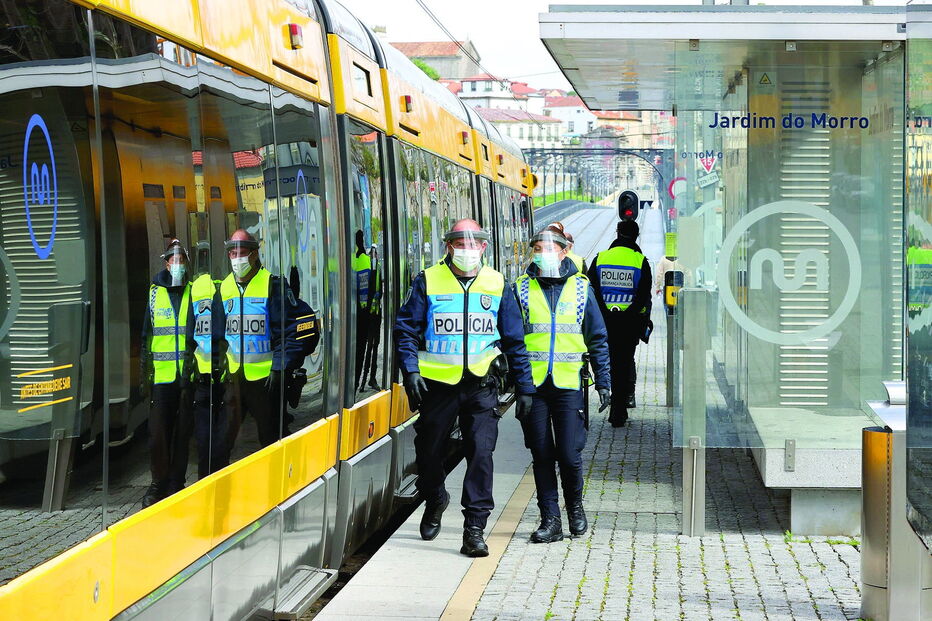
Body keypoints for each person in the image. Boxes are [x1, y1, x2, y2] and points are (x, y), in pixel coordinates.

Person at [394, 218, 535, 558]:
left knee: (481, 452)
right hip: (437, 386)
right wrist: (411, 371)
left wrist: (526, 387)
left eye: (474, 244)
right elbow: (406, 330)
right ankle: (435, 497)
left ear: (484, 247)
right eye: (460, 243)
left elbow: (515, 339)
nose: (467, 249)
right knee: (428, 452)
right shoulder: (427, 280)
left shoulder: (497, 283)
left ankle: (474, 528)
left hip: (481, 385)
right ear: (449, 247)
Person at [514, 226, 610, 543]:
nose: (543, 254)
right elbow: (512, 340)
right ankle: (550, 520)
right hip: (533, 388)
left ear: (564, 251)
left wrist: (604, 382)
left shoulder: (581, 288)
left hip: (569, 385)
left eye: (549, 248)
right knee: (541, 454)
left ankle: (575, 510)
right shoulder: (521, 289)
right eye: (538, 248)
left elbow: (597, 337)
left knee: (569, 454)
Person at [219, 229, 297, 451]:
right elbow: (219, 333)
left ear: (254, 254)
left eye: (241, 253)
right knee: (223, 440)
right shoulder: (224, 288)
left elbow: (287, 332)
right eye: (232, 254)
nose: (236, 259)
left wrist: (280, 367)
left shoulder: (272, 284)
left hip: (264, 380)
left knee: (270, 438)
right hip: (234, 379)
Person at [139, 239, 195, 507]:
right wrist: (143, 376)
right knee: (158, 433)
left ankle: (176, 482)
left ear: (186, 263)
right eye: (172, 260)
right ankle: (157, 483)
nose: (177, 264)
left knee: (182, 433)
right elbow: (145, 336)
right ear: (166, 263)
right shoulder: (154, 293)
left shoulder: (193, 292)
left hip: (186, 376)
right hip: (161, 377)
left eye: (181, 259)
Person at [588, 219, 652, 427]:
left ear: (617, 233)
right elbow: (643, 296)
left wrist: (605, 312)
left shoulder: (601, 258)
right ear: (636, 235)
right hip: (628, 325)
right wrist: (630, 316)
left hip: (603, 323)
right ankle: (619, 410)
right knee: (624, 366)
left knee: (606, 362)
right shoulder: (640, 261)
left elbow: (591, 291)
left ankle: (608, 399)